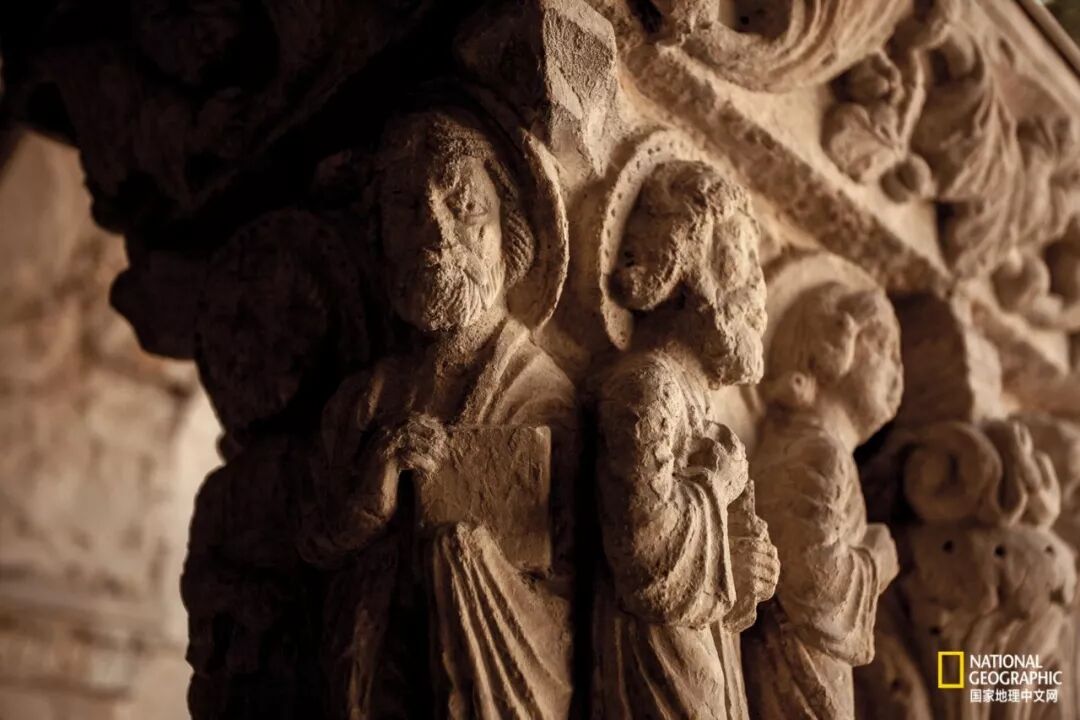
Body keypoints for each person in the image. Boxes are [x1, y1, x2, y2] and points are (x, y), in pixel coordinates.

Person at [298, 108, 578, 720]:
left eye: (465, 205)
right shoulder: (363, 400)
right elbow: (313, 541)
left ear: (510, 234)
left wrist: (465, 559)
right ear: (379, 238)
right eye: (406, 207)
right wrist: (370, 501)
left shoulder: (541, 395)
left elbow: (573, 577)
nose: (435, 230)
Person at [592, 160, 779, 719]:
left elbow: (710, 563)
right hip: (657, 663)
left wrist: (744, 565)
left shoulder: (695, 404)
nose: (758, 291)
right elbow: (645, 556)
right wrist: (715, 493)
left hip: (698, 651)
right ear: (682, 264)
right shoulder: (648, 387)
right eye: (740, 259)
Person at [743, 273, 903, 720]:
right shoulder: (817, 451)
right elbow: (812, 580)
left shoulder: (821, 450)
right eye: (884, 348)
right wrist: (875, 562)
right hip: (796, 671)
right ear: (833, 350)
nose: (898, 372)